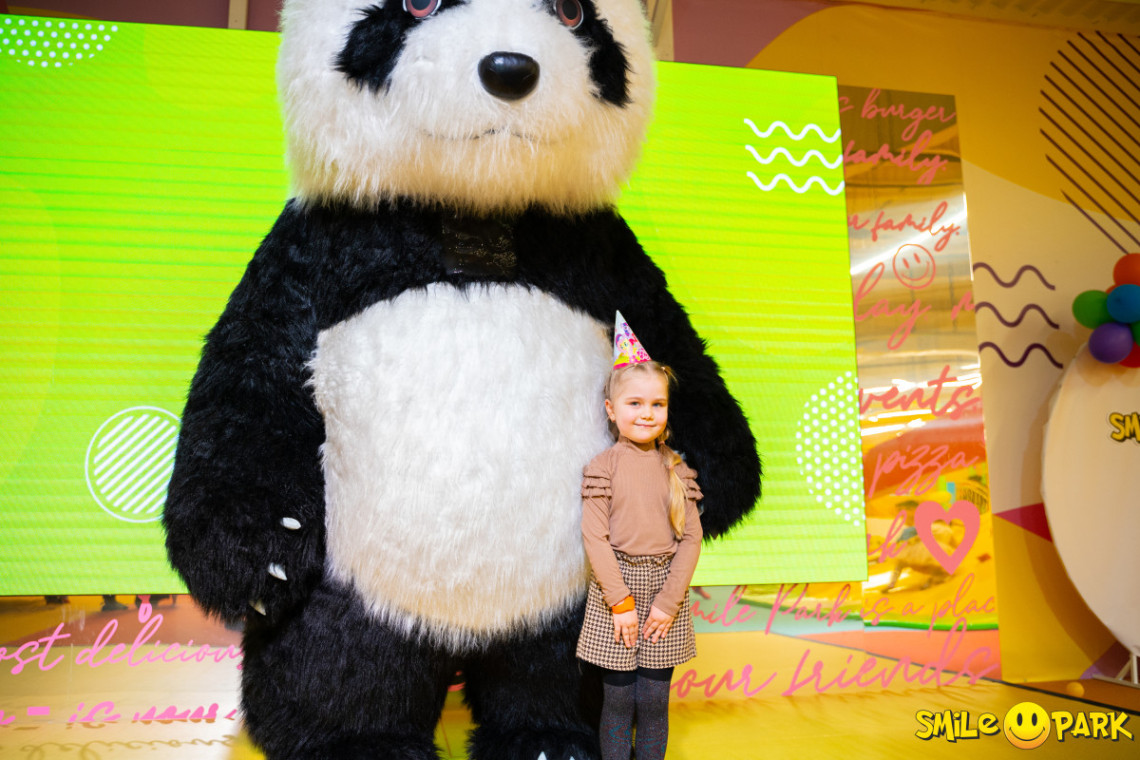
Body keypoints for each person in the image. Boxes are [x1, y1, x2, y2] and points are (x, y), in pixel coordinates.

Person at [577, 316, 703, 760]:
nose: (647, 413)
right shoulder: (602, 468)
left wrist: (668, 602)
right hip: (615, 592)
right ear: (612, 410)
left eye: (657, 404)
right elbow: (595, 537)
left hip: (666, 593)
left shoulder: (677, 469)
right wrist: (620, 602)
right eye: (634, 403)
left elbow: (691, 541)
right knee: (617, 702)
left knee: (652, 702)